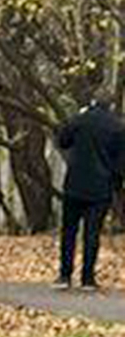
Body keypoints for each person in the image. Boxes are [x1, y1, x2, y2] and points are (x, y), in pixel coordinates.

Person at [53, 98, 122, 290]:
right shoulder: (117, 126)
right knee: (92, 234)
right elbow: (120, 162)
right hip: (101, 187)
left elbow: (62, 140)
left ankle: (65, 275)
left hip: (75, 184)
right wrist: (116, 185)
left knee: (69, 231)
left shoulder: (79, 120)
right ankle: (87, 278)